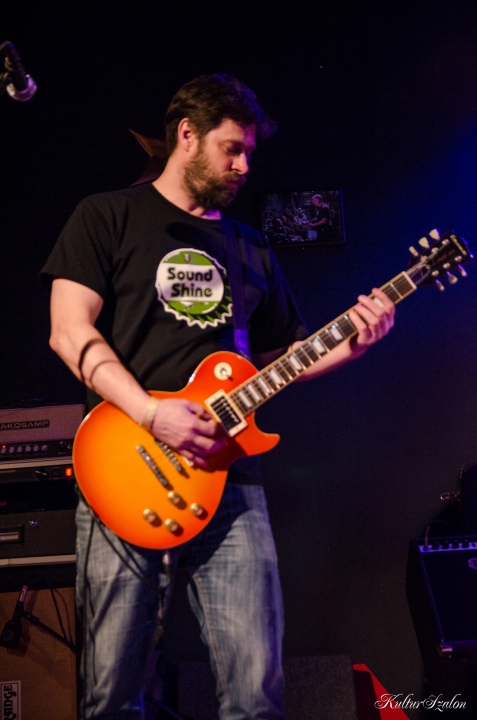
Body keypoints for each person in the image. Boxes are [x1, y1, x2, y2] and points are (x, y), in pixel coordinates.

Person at [41, 74, 395, 720]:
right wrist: (153, 414)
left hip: (230, 481)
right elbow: (68, 332)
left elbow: (282, 357)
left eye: (249, 153)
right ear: (187, 135)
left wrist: (352, 343)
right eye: (232, 149)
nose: (244, 166)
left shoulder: (249, 245)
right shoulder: (107, 216)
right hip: (126, 465)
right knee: (111, 696)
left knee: (256, 693)